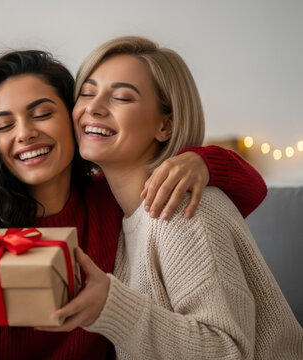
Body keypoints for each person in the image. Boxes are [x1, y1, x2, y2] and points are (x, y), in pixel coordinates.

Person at [0, 50, 266, 359]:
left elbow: (251, 194)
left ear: (74, 117)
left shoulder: (112, 201)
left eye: (42, 113)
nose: (24, 133)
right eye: (4, 125)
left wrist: (202, 161)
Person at [38, 36, 303, 359]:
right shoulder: (109, 209)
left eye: (121, 97)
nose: (93, 107)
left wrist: (112, 308)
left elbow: (225, 352)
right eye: (87, 93)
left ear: (165, 125)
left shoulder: (182, 209)